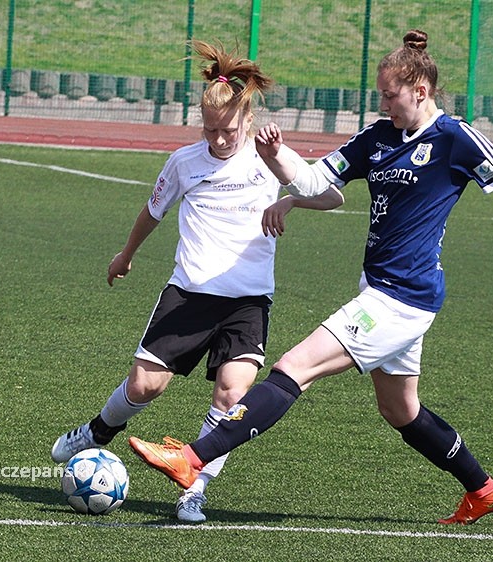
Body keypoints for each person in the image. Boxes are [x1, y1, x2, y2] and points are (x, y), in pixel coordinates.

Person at [128, 29, 493, 525]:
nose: (383, 104)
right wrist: (278, 158)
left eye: (390, 95)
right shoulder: (377, 137)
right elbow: (316, 181)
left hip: (404, 298)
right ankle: (484, 489)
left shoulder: (455, 138)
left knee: (294, 367)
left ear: (420, 91)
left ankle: (191, 458)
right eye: (380, 95)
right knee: (400, 410)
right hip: (380, 289)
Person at [50, 40, 343, 523]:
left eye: (228, 130)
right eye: (210, 130)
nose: (219, 140)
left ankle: (194, 488)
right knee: (144, 386)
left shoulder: (270, 157)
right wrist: (126, 255)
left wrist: (290, 199)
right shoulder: (185, 162)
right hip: (189, 294)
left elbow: (333, 198)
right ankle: (98, 431)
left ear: (248, 121)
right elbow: (153, 211)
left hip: (248, 302)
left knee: (232, 396)